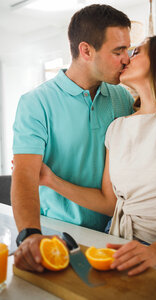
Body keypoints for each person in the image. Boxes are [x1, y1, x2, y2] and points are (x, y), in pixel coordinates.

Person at [38, 36, 156, 275]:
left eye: (136, 52)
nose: (125, 59)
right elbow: (109, 202)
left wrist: (155, 252)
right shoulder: (117, 128)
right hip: (118, 245)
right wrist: (49, 179)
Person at [12, 4, 134, 272]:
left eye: (128, 49)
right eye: (118, 51)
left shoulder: (122, 98)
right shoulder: (36, 103)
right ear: (86, 50)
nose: (127, 59)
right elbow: (24, 176)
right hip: (57, 231)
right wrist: (30, 235)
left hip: (111, 233)